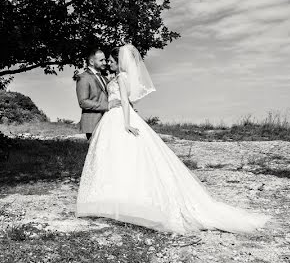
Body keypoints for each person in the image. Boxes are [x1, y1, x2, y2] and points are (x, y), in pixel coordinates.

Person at [75, 44, 271, 235]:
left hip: (118, 117)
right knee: (115, 157)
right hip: (111, 118)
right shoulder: (112, 76)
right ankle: (111, 198)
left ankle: (124, 199)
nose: (107, 63)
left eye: (109, 60)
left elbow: (125, 101)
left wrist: (126, 122)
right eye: (105, 60)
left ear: (119, 61)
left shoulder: (121, 77)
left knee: (125, 157)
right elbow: (104, 98)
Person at [74, 47, 118, 140]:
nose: (105, 63)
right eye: (101, 60)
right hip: (92, 123)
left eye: (105, 60)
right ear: (91, 62)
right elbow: (83, 102)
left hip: (107, 122)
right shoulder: (83, 78)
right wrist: (107, 105)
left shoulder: (104, 78)